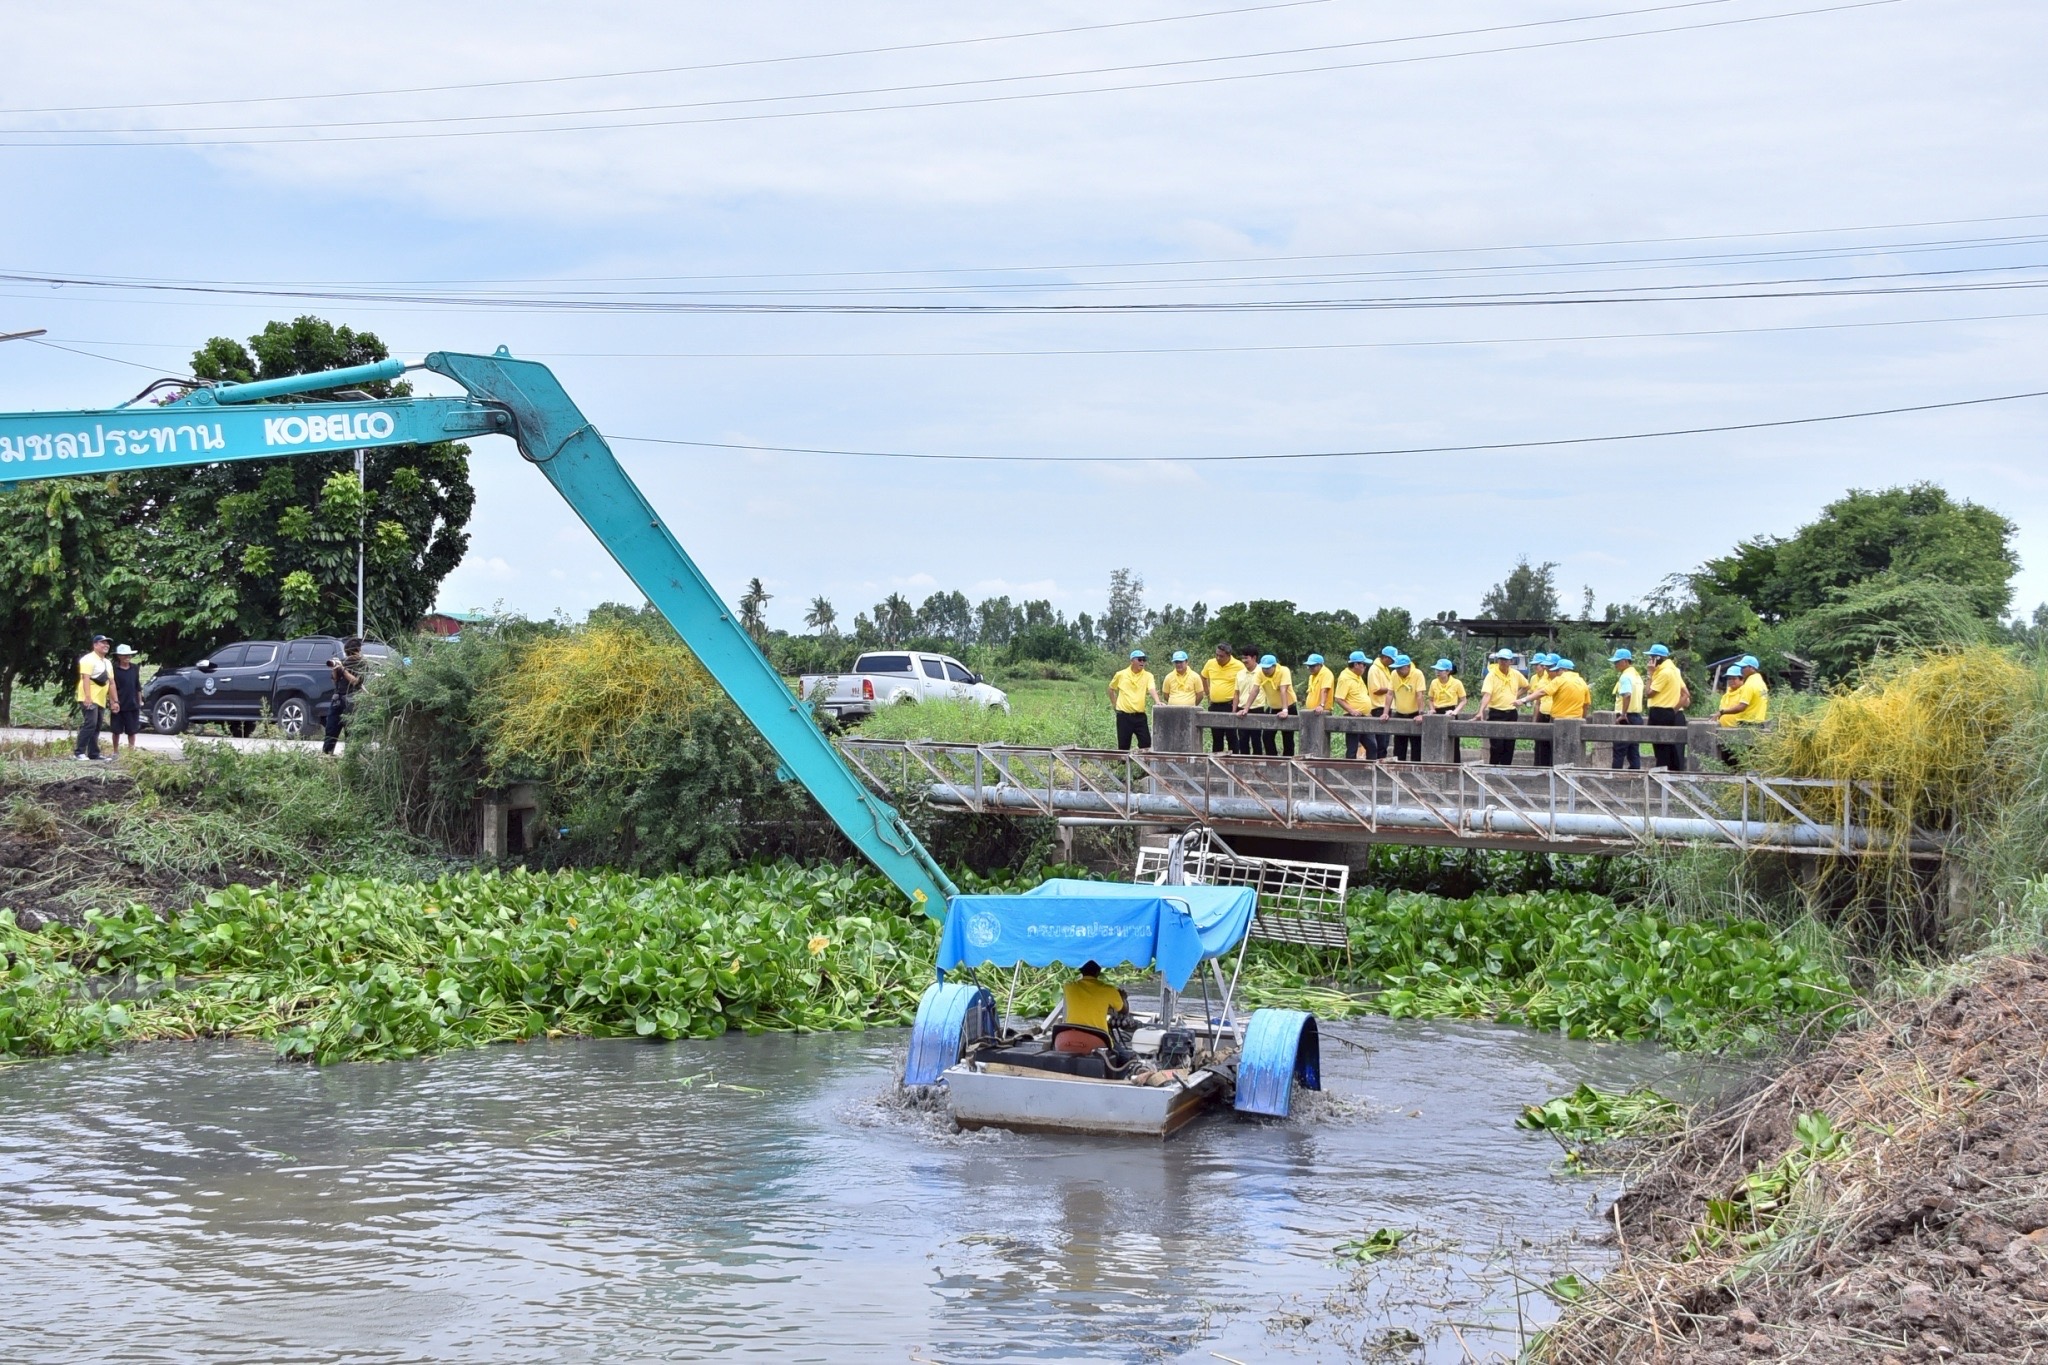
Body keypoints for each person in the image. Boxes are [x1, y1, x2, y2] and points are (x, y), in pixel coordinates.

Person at [1057, 960, 1130, 1053]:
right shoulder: (1109, 990)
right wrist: (1123, 997)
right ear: (1099, 970)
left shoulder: (1068, 987)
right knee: (1125, 1056)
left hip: (1069, 1038)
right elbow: (1123, 1010)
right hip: (1098, 1040)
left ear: (1080, 969)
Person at [1644, 643, 1691, 772]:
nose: (1649, 661)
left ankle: (1662, 776)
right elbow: (1686, 694)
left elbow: (1649, 693)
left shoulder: (1663, 673)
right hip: (1674, 713)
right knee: (1676, 750)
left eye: (1651, 658)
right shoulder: (1675, 670)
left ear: (1657, 658)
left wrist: (1650, 674)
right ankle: (1676, 775)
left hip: (1660, 712)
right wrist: (1675, 710)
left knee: (1661, 750)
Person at [1717, 655, 1770, 765]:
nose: (1741, 670)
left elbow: (1742, 707)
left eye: (1743, 667)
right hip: (1758, 723)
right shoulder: (1762, 684)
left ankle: (1736, 781)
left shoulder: (1749, 685)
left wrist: (1722, 712)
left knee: (1739, 760)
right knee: (1751, 759)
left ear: (1751, 668)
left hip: (1747, 724)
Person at [1477, 650, 1526, 765]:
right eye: (1501, 659)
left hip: (1511, 713)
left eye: (1505, 660)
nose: (1503, 662)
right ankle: (1493, 768)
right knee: (1496, 744)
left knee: (1509, 744)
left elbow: (1526, 686)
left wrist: (1516, 696)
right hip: (1496, 713)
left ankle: (1506, 769)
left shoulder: (1515, 674)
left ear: (1511, 661)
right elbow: (1487, 694)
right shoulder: (1491, 675)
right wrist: (1481, 711)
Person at [1241, 654, 1295, 757]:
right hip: (1272, 707)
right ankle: (1272, 760)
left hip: (1288, 706)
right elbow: (1255, 690)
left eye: (1268, 668)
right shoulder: (1260, 673)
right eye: (1263, 668)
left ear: (1274, 666)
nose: (1265, 670)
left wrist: (1285, 710)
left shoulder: (1284, 671)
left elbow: (1283, 690)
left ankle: (1288, 761)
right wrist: (1246, 708)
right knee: (1267, 736)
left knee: (1287, 737)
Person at [1107, 649, 1161, 752]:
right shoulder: (1121, 674)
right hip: (1124, 715)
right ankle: (1122, 766)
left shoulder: (1148, 676)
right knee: (1123, 745)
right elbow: (1111, 689)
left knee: (1146, 743)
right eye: (1140, 660)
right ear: (1132, 661)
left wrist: (1157, 701)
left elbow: (1151, 689)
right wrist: (1115, 704)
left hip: (1140, 716)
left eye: (1144, 660)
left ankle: (1145, 767)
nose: (1142, 662)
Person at [323, 637, 367, 755]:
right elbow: (335, 681)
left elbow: (356, 682)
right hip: (337, 700)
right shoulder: (343, 662)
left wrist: (343, 670)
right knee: (331, 729)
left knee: (351, 731)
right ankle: (327, 754)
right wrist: (335, 669)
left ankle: (350, 757)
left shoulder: (362, 664)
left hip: (352, 700)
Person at [1543, 658, 1590, 765]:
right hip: (1576, 721)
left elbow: (1543, 692)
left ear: (1563, 670)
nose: (1556, 673)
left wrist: (1525, 699)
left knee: (1555, 748)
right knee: (1574, 748)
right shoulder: (1582, 682)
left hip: (1558, 719)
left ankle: (1555, 771)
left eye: (1557, 670)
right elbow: (1586, 704)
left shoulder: (1560, 680)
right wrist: (1583, 718)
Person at [73, 635, 113, 762]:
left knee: (97, 725)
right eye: (103, 643)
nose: (106, 645)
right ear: (95, 645)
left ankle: (94, 753)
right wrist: (88, 697)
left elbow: (111, 682)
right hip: (89, 697)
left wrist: (113, 700)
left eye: (107, 643)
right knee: (90, 723)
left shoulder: (107, 662)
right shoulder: (88, 659)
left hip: (100, 698)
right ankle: (79, 752)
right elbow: (85, 678)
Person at [1201, 642, 1245, 754]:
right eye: (1216, 655)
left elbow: (1245, 682)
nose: (1218, 658)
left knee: (1232, 736)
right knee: (1216, 736)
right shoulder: (1210, 663)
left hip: (1230, 705)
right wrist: (1208, 694)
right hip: (1214, 705)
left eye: (1221, 656)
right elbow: (1203, 677)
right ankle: (1216, 764)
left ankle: (1234, 762)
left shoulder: (1238, 665)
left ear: (1229, 655)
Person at [1386, 654, 1431, 761]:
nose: (1398, 671)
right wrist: (1385, 712)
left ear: (1408, 667)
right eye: (1396, 668)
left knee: (1416, 745)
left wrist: (1421, 714)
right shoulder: (1394, 674)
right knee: (1399, 746)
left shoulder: (1417, 674)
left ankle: (1416, 771)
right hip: (1400, 713)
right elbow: (1390, 694)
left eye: (1400, 668)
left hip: (1414, 713)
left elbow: (1419, 695)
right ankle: (1397, 771)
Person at [1334, 650, 1375, 758]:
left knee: (1372, 745)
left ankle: (1370, 771)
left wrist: (1368, 711)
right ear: (1356, 664)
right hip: (1353, 717)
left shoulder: (1357, 676)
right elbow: (1338, 698)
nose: (1365, 667)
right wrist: (1352, 711)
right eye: (1364, 664)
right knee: (1352, 747)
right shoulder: (1345, 678)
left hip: (1364, 716)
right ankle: (1350, 772)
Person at [1609, 648, 1645, 770]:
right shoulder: (1637, 676)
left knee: (1619, 749)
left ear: (1625, 661)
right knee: (1633, 750)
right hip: (1636, 717)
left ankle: (1615, 776)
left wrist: (1623, 715)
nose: (1615, 665)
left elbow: (1627, 695)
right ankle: (1635, 775)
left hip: (1626, 717)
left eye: (1617, 662)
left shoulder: (1625, 676)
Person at [106, 644, 143, 754]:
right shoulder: (114, 669)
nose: (128, 657)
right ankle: (115, 751)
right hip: (119, 704)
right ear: (119, 656)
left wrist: (139, 701)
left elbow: (137, 686)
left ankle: (130, 752)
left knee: (132, 731)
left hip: (132, 704)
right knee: (116, 730)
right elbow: (110, 686)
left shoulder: (134, 668)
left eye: (129, 655)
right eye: (125, 655)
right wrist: (112, 702)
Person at [1428, 659, 1466, 764]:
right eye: (1436, 670)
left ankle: (1455, 764)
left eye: (1440, 670)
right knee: (1435, 739)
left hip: (1450, 711)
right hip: (1437, 711)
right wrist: (1432, 709)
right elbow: (1430, 699)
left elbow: (1463, 700)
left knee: (1453, 742)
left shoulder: (1457, 683)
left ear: (1448, 672)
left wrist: (1455, 711)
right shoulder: (1434, 682)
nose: (1437, 672)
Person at [1523, 653, 1557, 768]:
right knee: (1540, 742)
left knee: (1553, 742)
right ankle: (1539, 767)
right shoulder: (1537, 679)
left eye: (1538, 665)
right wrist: (1534, 719)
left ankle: (1553, 768)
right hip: (1543, 712)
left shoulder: (1559, 680)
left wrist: (1523, 699)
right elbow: (1537, 701)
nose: (1536, 667)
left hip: (1555, 714)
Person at [1365, 646, 1397, 761]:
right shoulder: (1375, 669)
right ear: (1385, 657)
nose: (1392, 662)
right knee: (1380, 742)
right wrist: (1392, 689)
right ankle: (1378, 766)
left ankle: (1381, 764)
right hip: (1379, 707)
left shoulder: (1385, 669)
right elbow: (1375, 689)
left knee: (1386, 742)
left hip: (1387, 707)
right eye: (1391, 659)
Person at [1299, 652, 1335, 756]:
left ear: (1320, 665)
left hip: (1320, 712)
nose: (1310, 668)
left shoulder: (1326, 673)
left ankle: (1319, 764)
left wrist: (1321, 705)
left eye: (1313, 666)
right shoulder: (1312, 676)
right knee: (1308, 740)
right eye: (1309, 666)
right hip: (1311, 712)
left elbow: (1325, 690)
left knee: (1318, 742)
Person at [1231, 644, 1264, 752]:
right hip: (1241, 709)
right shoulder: (1240, 673)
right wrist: (1233, 711)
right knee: (1243, 740)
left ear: (1254, 658)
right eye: (1243, 657)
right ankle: (1243, 765)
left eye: (1246, 658)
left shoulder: (1263, 672)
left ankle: (1258, 766)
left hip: (1257, 709)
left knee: (1256, 740)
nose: (1244, 660)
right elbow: (1236, 693)